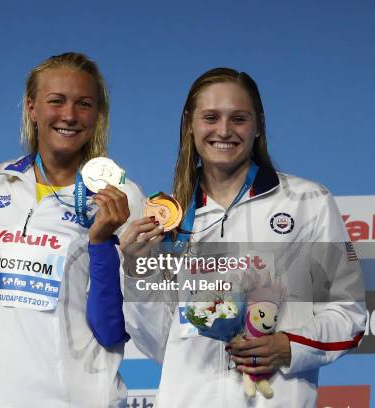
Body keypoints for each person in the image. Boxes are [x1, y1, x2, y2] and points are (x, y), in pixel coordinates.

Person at [121, 67, 366, 407]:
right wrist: (137, 268)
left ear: (258, 125)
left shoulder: (307, 202)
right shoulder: (169, 220)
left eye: (238, 118)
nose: (224, 130)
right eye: (211, 117)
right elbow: (156, 342)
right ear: (189, 123)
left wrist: (291, 346)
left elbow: (350, 313)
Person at [0, 52, 144, 407]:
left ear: (97, 115)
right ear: (32, 108)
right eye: (56, 101)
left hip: (80, 399)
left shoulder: (123, 197)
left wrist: (102, 242)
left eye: (84, 104)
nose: (69, 115)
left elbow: (114, 327)